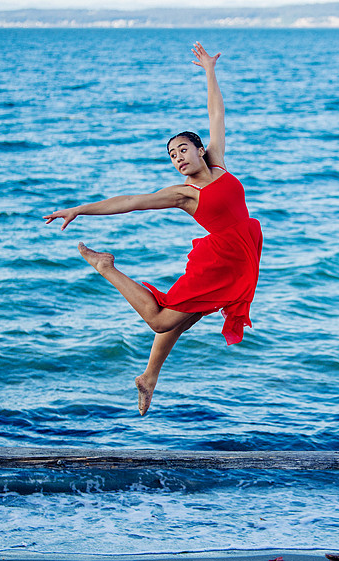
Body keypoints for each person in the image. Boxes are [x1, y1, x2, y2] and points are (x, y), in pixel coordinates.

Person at [44, 42, 262, 416]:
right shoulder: (184, 194)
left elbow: (216, 114)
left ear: (198, 149)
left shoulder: (220, 165)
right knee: (161, 319)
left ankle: (148, 377)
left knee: (184, 320)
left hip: (244, 255)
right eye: (172, 156)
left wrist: (209, 70)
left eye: (182, 150)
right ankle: (106, 267)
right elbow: (130, 201)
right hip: (222, 261)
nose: (178, 158)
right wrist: (80, 209)